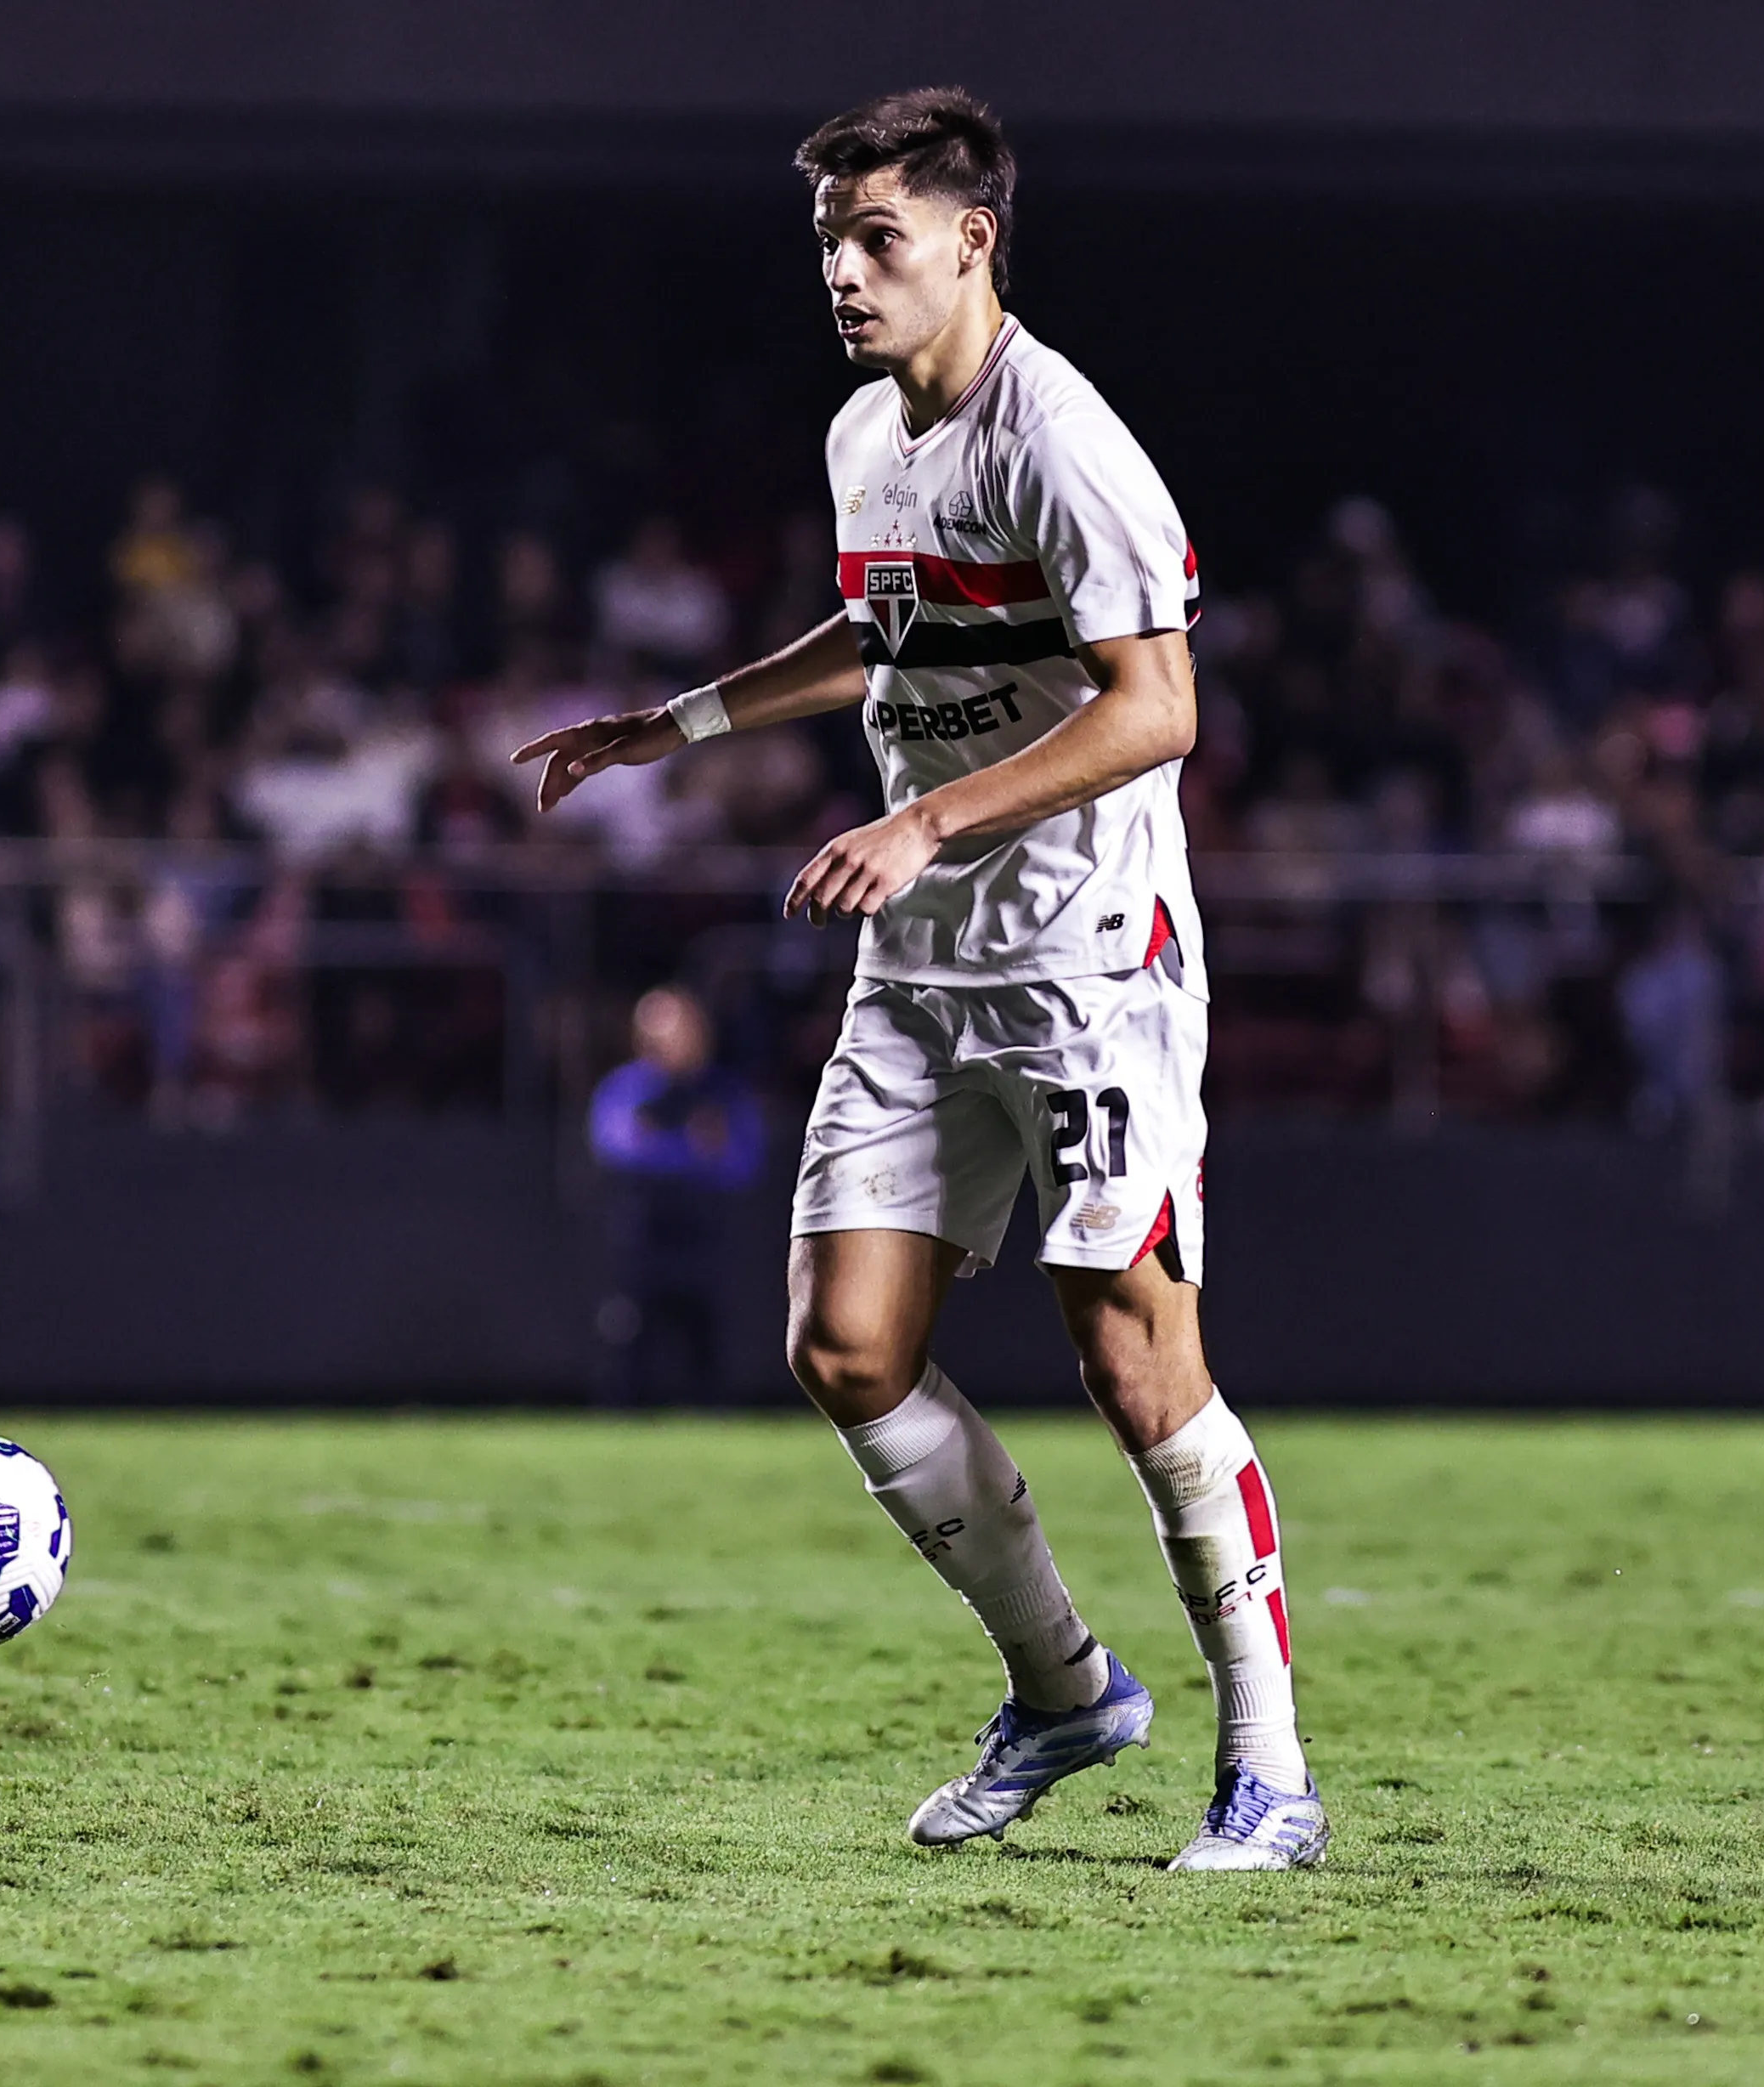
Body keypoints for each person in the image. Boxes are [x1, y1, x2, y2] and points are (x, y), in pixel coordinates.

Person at [514, 88, 1322, 1870]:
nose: (845, 272)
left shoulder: (1070, 445)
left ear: (974, 240)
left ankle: (1266, 1768)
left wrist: (929, 818)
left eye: (877, 237)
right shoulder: (861, 438)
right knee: (844, 1344)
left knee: (1131, 1363)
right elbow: (890, 625)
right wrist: (679, 723)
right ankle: (1061, 1690)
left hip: (1089, 966)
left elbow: (1158, 705)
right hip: (925, 963)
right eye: (827, 243)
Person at [587, 987, 766, 1405]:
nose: (665, 1043)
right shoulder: (626, 1089)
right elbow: (615, 1149)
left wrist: (667, 1147)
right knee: (628, 1355)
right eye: (653, 1032)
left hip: (705, 1243)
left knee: (707, 1357)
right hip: (639, 1244)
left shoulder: (724, 1094)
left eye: (676, 1030)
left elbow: (741, 1163)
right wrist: (690, 1148)